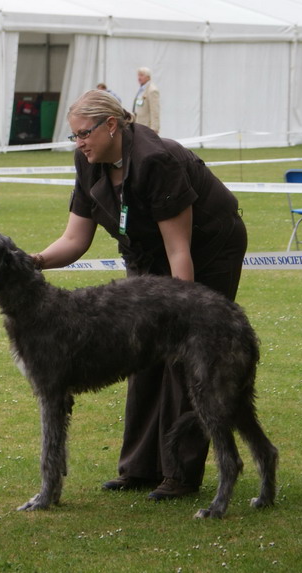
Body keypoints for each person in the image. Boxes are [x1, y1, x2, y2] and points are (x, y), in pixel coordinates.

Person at [30, 89, 247, 502]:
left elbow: (179, 252)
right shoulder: (88, 161)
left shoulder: (155, 160)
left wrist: (186, 315)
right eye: (74, 136)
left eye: (83, 134)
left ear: (111, 125)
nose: (79, 143)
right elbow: (75, 239)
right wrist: (32, 261)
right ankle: (140, 469)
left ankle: (180, 473)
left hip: (207, 248)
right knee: (138, 349)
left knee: (188, 353)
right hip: (145, 250)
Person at [132, 67, 160, 133]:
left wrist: (154, 128)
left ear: (148, 77)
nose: (139, 78)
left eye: (141, 75)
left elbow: (155, 111)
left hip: (147, 126)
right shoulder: (141, 89)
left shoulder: (152, 90)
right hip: (139, 125)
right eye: (138, 75)